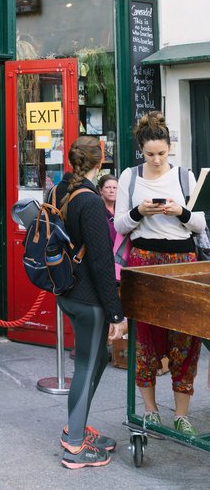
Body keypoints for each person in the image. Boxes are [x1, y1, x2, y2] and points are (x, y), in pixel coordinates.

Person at [114, 110, 205, 437]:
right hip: (144, 260)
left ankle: (182, 414)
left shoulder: (184, 176)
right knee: (146, 338)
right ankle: (150, 410)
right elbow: (119, 224)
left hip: (183, 260)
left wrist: (179, 211)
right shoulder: (129, 176)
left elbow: (200, 222)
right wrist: (141, 211)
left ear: (169, 149)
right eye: (150, 154)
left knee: (186, 335)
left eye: (162, 154)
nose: (156, 160)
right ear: (142, 150)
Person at [55, 135, 126, 469]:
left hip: (66, 291)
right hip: (88, 298)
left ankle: (77, 427)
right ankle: (74, 446)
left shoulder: (59, 189)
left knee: (95, 360)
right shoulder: (92, 201)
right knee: (86, 364)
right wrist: (116, 312)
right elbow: (100, 262)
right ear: (101, 162)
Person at [98, 173, 118, 245]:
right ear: (100, 190)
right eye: (108, 187)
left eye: (115, 188)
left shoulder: (121, 210)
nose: (112, 191)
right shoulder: (97, 209)